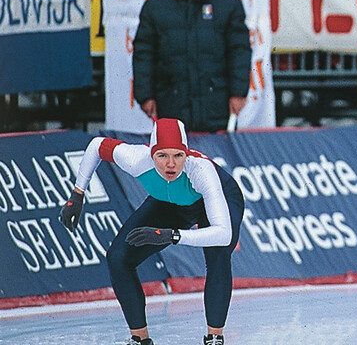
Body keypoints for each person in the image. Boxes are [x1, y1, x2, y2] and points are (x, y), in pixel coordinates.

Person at [59, 118, 245, 345]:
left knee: (218, 255)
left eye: (178, 155)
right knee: (118, 258)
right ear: (151, 154)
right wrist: (78, 193)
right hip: (169, 203)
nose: (170, 164)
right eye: (162, 156)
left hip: (218, 198)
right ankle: (140, 339)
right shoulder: (136, 158)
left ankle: (214, 337)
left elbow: (223, 234)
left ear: (186, 154)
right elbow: (97, 146)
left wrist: (173, 235)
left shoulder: (200, 170)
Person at [133, 0, 251, 132]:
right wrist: (145, 96)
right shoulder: (155, 6)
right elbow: (144, 54)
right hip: (171, 102)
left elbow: (239, 51)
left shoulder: (228, 4)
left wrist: (238, 93)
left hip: (216, 104)